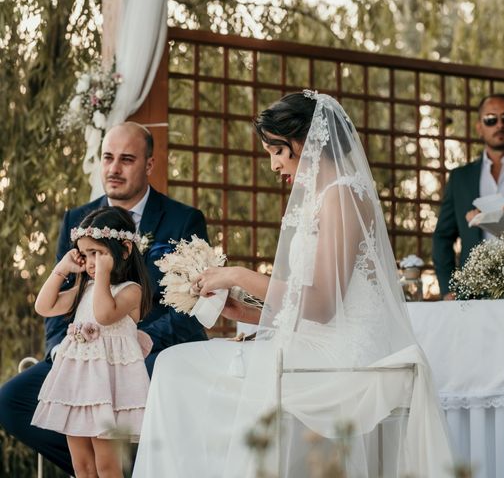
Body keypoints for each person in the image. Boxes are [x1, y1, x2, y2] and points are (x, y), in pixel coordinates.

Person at [133, 91, 454, 477]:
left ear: (303, 140)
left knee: (174, 367)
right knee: (175, 366)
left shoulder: (343, 195)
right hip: (315, 343)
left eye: (277, 151)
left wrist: (237, 274)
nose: (273, 165)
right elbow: (309, 307)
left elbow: (322, 305)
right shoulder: (324, 196)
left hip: (340, 357)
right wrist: (246, 310)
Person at [0, 122, 209, 475]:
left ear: (149, 165)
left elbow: (191, 306)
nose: (113, 169)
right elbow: (59, 302)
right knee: (11, 401)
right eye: (108, 157)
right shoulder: (77, 220)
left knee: (137, 387)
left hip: (150, 352)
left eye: (126, 159)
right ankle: (107, 469)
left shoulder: (183, 220)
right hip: (83, 347)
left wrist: (137, 343)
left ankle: (134, 468)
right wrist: (60, 349)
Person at [32, 207, 152, 478]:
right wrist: (62, 268)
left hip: (107, 388)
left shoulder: (131, 291)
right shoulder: (84, 289)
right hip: (78, 386)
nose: (89, 262)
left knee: (107, 466)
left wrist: (103, 276)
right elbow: (44, 306)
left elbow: (104, 315)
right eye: (85, 255)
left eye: (97, 253)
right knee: (82, 466)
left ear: (124, 251)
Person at [432, 94, 504, 299]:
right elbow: (443, 236)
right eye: (491, 119)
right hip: (473, 290)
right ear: (479, 127)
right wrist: (448, 288)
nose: (499, 125)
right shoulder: (460, 178)